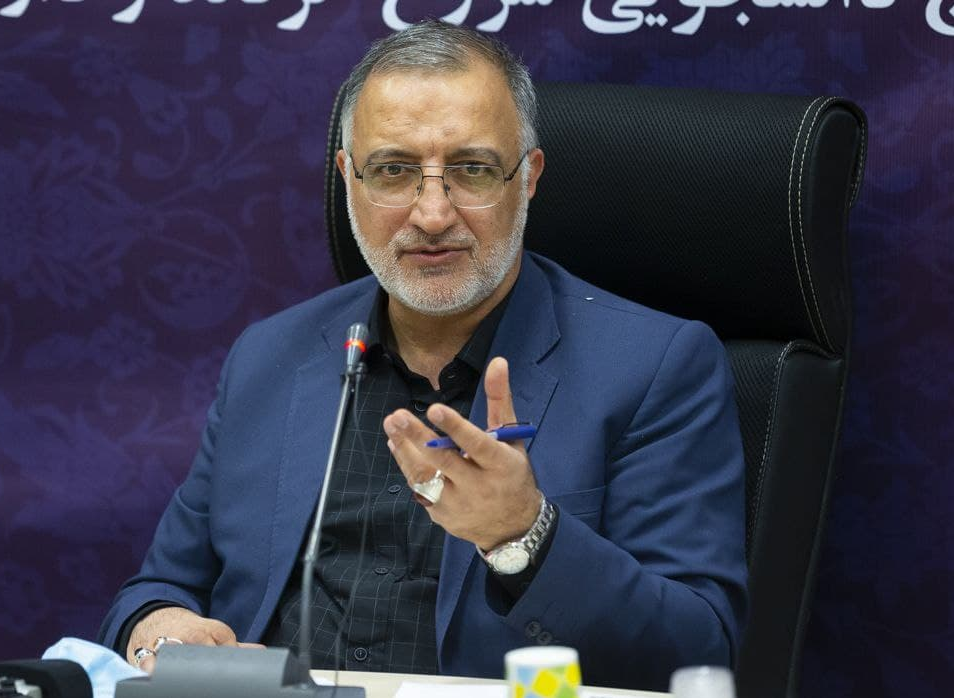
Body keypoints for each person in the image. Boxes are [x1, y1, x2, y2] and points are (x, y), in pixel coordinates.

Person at [98, 20, 747, 691]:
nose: (433, 214)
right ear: (349, 178)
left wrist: (524, 536)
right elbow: (157, 590)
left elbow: (695, 652)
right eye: (394, 170)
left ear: (527, 179)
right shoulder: (271, 356)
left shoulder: (654, 366)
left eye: (472, 170)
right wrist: (161, 628)